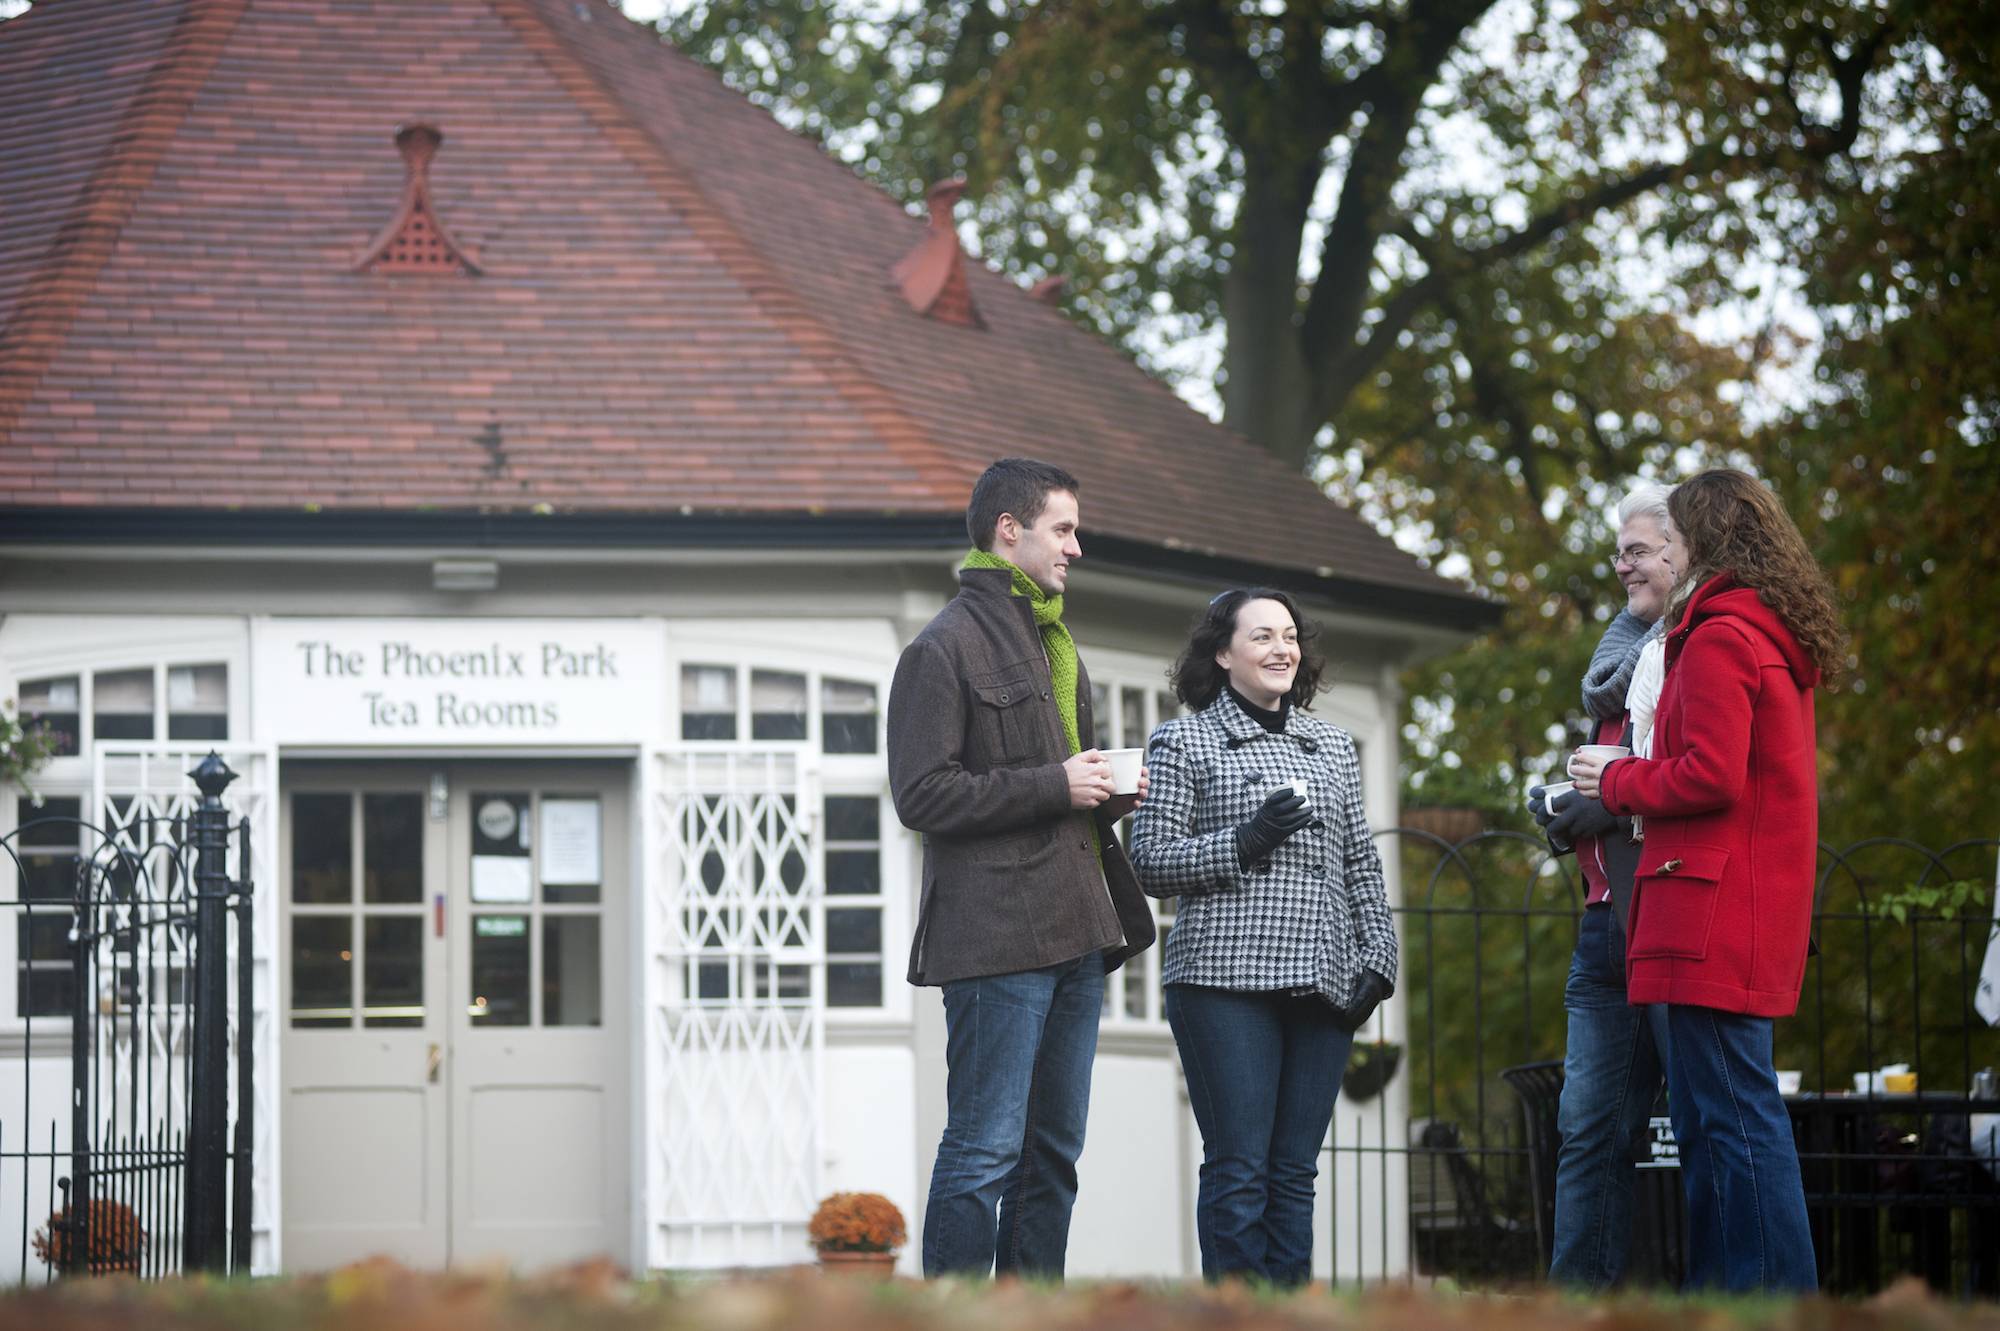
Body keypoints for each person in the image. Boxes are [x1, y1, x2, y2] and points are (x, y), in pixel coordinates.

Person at [1571, 468, 1846, 1292]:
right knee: (1721, 1117)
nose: (1668, 549)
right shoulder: (1761, 629)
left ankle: (1772, 1299)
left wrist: (1615, 778)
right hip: (1730, 900)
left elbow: (1710, 776)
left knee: (1733, 1122)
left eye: (1676, 535)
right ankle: (1732, 1296)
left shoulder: (1723, 633)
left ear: (1707, 541)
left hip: (1710, 904)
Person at [887, 457, 1157, 1279]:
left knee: (1053, 1156)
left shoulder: (1052, 639)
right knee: (982, 1152)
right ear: (1011, 530)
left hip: (1080, 931)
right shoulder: (940, 649)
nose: (1076, 547)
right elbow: (922, 795)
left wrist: (1108, 787)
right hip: (996, 941)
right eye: (1063, 528)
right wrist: (1058, 782)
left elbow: (1063, 785)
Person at [1128, 589, 1396, 1286]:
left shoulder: (1333, 745)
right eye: (1262, 637)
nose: (1282, 649)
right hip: (1223, 981)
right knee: (1240, 1168)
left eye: (1290, 636)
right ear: (1222, 653)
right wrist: (1247, 840)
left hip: (1323, 981)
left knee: (1293, 1172)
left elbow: (1360, 860)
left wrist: (1380, 959)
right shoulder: (1183, 739)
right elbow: (1150, 860)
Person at [1529, 485, 1680, 1288]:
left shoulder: (1692, 651)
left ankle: (1728, 1298)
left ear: (1681, 555)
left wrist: (1596, 799)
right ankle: (1578, 1305)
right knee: (1586, 1128)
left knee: (1703, 1122)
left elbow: (1679, 781)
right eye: (1619, 549)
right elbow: (1614, 779)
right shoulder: (1619, 666)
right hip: (1602, 926)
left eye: (1640, 549)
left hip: (1671, 914)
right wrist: (1568, 811)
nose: (1623, 563)